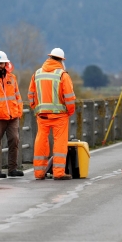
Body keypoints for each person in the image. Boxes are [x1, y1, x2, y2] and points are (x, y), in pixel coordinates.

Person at [28, 48, 76, 180]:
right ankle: (58, 172)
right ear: (61, 60)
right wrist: (70, 111)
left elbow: (31, 95)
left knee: (41, 141)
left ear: (49, 58)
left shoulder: (37, 74)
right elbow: (70, 97)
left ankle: (39, 173)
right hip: (59, 115)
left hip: (42, 115)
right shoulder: (62, 75)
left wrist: (36, 108)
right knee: (59, 143)